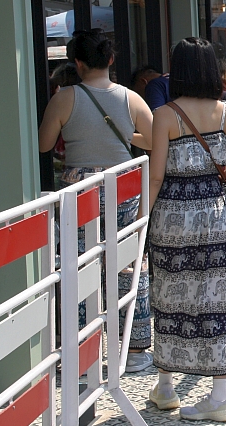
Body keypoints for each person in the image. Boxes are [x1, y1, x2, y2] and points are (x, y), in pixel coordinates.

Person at [146, 38, 226, 421]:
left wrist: (141, 225)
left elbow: (155, 177)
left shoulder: (167, 114)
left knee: (170, 299)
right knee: (216, 299)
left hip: (173, 222)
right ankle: (220, 396)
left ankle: (166, 387)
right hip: (216, 220)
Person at [38, 30, 155, 372]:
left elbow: (45, 144)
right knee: (128, 264)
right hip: (122, 184)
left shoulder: (64, 97)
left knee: (77, 266)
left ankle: (80, 353)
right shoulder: (130, 98)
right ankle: (133, 351)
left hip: (81, 189)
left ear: (77, 63)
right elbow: (149, 138)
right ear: (111, 60)